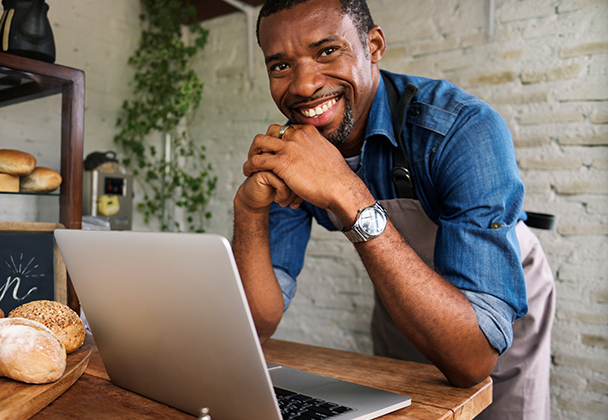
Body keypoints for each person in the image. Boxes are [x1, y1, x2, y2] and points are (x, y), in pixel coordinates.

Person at [231, 0, 555, 418]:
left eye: (327, 51)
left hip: (497, 311)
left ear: (374, 45)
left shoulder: (462, 130)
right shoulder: (296, 151)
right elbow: (257, 322)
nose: (304, 85)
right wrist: (249, 211)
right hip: (401, 295)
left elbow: (472, 361)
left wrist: (347, 193)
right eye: (280, 66)